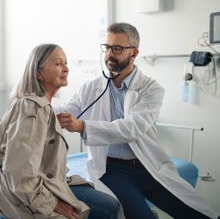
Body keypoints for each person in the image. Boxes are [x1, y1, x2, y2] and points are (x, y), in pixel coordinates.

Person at [57, 23, 219, 219]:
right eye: (106, 47)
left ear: (134, 53)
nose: (109, 54)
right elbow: (66, 111)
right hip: (112, 169)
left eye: (117, 48)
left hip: (148, 165)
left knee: (197, 213)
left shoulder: (151, 89)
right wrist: (36, 103)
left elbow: (131, 128)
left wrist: (82, 126)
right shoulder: (91, 88)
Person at [0, 44, 120, 219]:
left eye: (65, 63)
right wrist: (53, 204)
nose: (66, 69)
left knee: (105, 202)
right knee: (109, 207)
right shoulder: (32, 110)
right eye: (58, 64)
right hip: (23, 194)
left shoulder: (41, 106)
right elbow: (19, 174)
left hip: (40, 184)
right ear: (38, 72)